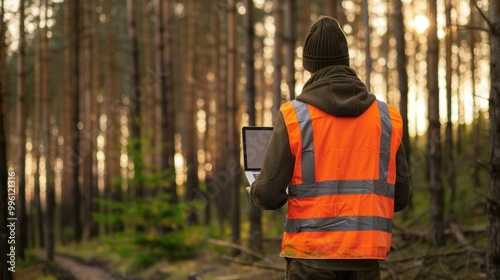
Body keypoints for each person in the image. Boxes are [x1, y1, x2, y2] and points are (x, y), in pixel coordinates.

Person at [246, 16, 412, 280]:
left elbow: (268, 196)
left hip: (310, 259)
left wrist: (255, 190)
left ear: (310, 65)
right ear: (346, 61)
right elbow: (400, 198)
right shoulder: (387, 117)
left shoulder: (294, 116)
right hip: (365, 260)